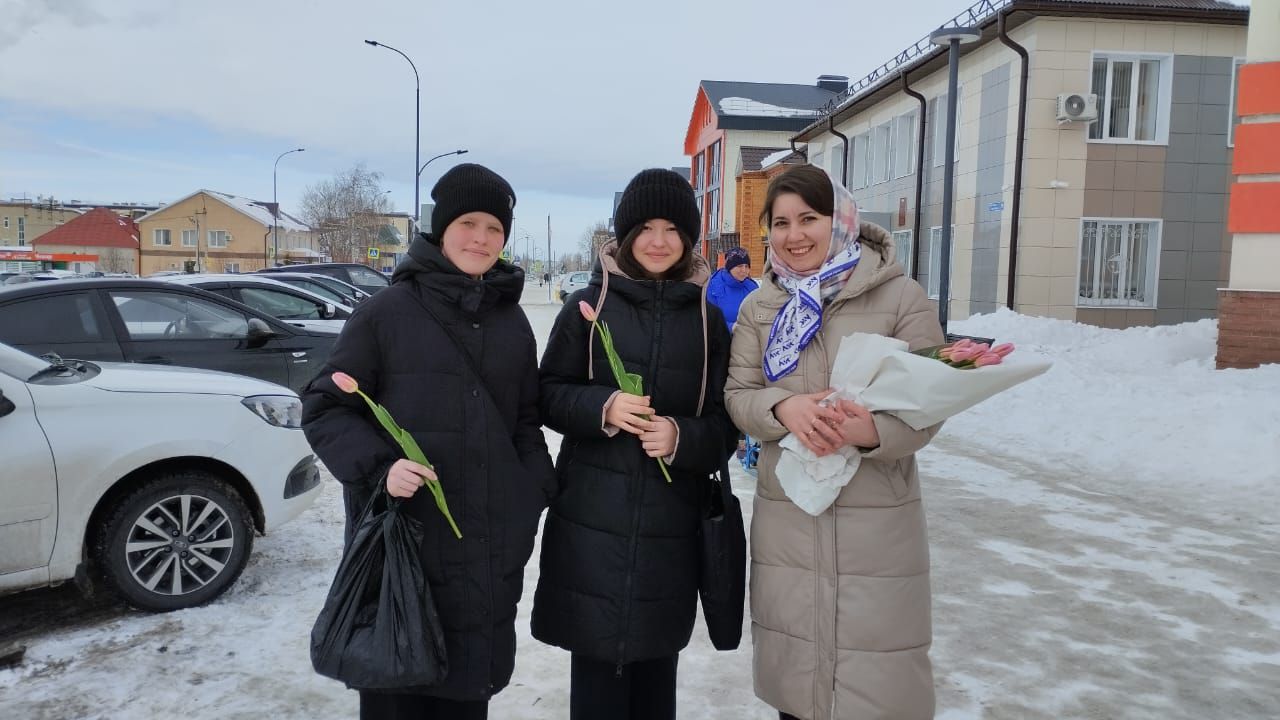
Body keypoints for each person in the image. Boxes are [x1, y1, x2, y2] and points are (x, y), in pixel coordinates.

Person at [301, 163, 555, 720]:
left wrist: (530, 493)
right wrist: (379, 466)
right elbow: (324, 407)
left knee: (465, 700)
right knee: (398, 696)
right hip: (405, 551)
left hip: (485, 555)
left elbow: (525, 421)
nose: (482, 238)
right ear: (442, 229)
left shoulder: (512, 322)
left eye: (494, 227)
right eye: (469, 223)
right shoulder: (386, 313)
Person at [724, 164, 945, 720]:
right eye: (780, 222)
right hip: (789, 520)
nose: (794, 235)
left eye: (809, 218)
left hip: (877, 527)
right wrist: (783, 407)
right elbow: (739, 394)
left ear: (840, 220)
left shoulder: (900, 297)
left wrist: (870, 432)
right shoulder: (760, 307)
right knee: (797, 690)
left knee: (875, 687)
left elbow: (933, 400)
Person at [532, 168, 739, 720]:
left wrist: (680, 436)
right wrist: (602, 407)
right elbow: (548, 395)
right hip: (590, 528)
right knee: (596, 686)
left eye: (672, 228)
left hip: (671, 536)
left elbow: (725, 426)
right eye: (645, 226)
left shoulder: (709, 321)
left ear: (689, 238)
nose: (658, 240)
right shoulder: (587, 304)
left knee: (655, 685)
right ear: (623, 235)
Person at [707, 246, 759, 333]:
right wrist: (731, 327)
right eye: (739, 266)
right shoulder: (714, 286)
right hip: (721, 340)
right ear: (729, 267)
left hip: (747, 339)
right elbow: (708, 318)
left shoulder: (751, 287)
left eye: (747, 266)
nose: (744, 270)